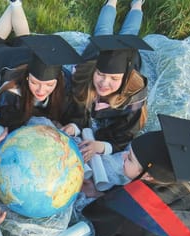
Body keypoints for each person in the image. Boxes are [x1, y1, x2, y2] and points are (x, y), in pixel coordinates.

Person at [0, 0, 82, 131]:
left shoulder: (64, 83)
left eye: (49, 85)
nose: (41, 91)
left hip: (32, 54)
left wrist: (73, 127)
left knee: (26, 39)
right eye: (35, 83)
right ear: (27, 78)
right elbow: (11, 124)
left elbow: (77, 116)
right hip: (8, 59)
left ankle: (15, 4)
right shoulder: (11, 94)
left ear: (57, 81)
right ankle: (13, 5)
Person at [61, 34, 153, 162]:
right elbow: (76, 107)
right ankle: (108, 12)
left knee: (129, 33)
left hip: (130, 59)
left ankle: (136, 12)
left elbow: (125, 135)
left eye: (114, 78)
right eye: (100, 74)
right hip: (96, 51)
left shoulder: (134, 99)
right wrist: (74, 126)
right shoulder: (84, 75)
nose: (104, 83)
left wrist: (101, 146)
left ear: (125, 79)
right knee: (103, 32)